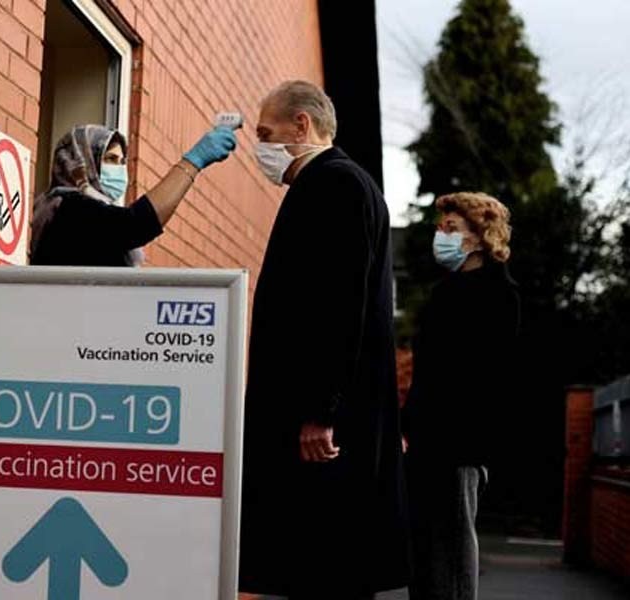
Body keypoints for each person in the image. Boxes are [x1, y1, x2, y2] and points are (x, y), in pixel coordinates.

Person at [238, 80, 410, 599]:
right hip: (329, 421)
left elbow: (339, 306)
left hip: (324, 431)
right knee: (325, 566)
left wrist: (322, 410)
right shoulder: (341, 184)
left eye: (265, 133)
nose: (260, 147)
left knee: (324, 566)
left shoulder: (335, 185)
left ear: (302, 125)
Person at [402, 192, 520, 600]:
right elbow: (429, 373)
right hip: (427, 443)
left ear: (479, 237)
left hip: (460, 446)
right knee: (424, 553)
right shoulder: (446, 292)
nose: (441, 235)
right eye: (440, 227)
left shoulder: (499, 296)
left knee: (450, 553)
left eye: (451, 228)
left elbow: (488, 379)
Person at [30, 124, 236, 266]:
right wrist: (193, 162)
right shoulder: (69, 209)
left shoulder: (83, 208)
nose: (119, 169)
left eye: (122, 162)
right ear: (79, 162)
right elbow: (137, 224)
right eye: (110, 159)